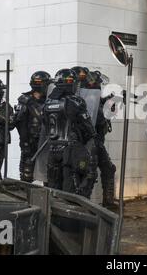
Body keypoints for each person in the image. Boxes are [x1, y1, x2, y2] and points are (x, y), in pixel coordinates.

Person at [43, 69, 98, 198]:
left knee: (53, 190)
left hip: (52, 150)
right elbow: (88, 127)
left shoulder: (48, 103)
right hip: (70, 150)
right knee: (72, 189)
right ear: (70, 83)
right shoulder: (75, 101)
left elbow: (45, 125)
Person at [72, 66, 117, 208]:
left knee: (109, 168)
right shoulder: (78, 101)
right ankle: (82, 203)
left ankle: (108, 201)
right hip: (85, 142)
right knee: (87, 173)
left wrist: (108, 103)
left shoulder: (96, 100)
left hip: (97, 141)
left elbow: (106, 118)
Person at [14, 71, 51, 183]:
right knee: (27, 173)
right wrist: (25, 142)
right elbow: (20, 123)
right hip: (30, 141)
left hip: (46, 141)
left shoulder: (50, 99)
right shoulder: (25, 100)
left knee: (48, 173)